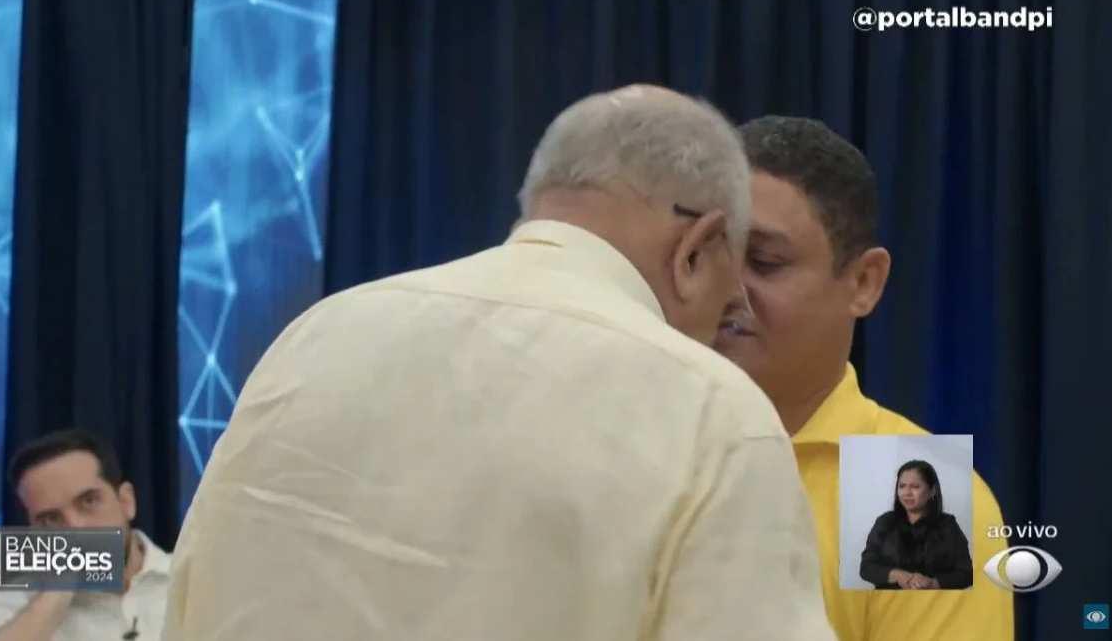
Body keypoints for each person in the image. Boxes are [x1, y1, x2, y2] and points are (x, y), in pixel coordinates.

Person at [163, 85, 835, 640]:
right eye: (736, 279)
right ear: (695, 249)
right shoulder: (711, 413)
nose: (729, 322)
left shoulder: (313, 335)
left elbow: (192, 594)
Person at [714, 116, 1012, 640]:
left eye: (764, 261)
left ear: (863, 283)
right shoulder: (627, 443)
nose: (725, 288)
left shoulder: (906, 486)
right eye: (705, 255)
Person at [0, 429, 171, 641]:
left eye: (89, 501)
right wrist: (54, 595)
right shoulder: (16, 602)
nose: (75, 529)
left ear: (127, 502)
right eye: (50, 519)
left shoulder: (185, 576)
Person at [859, 460, 973, 590]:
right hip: (889, 600)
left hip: (934, 600)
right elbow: (866, 567)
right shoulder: (885, 522)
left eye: (915, 487)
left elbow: (967, 573)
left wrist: (933, 583)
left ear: (932, 491)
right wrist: (899, 575)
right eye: (902, 486)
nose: (907, 492)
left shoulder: (948, 525)